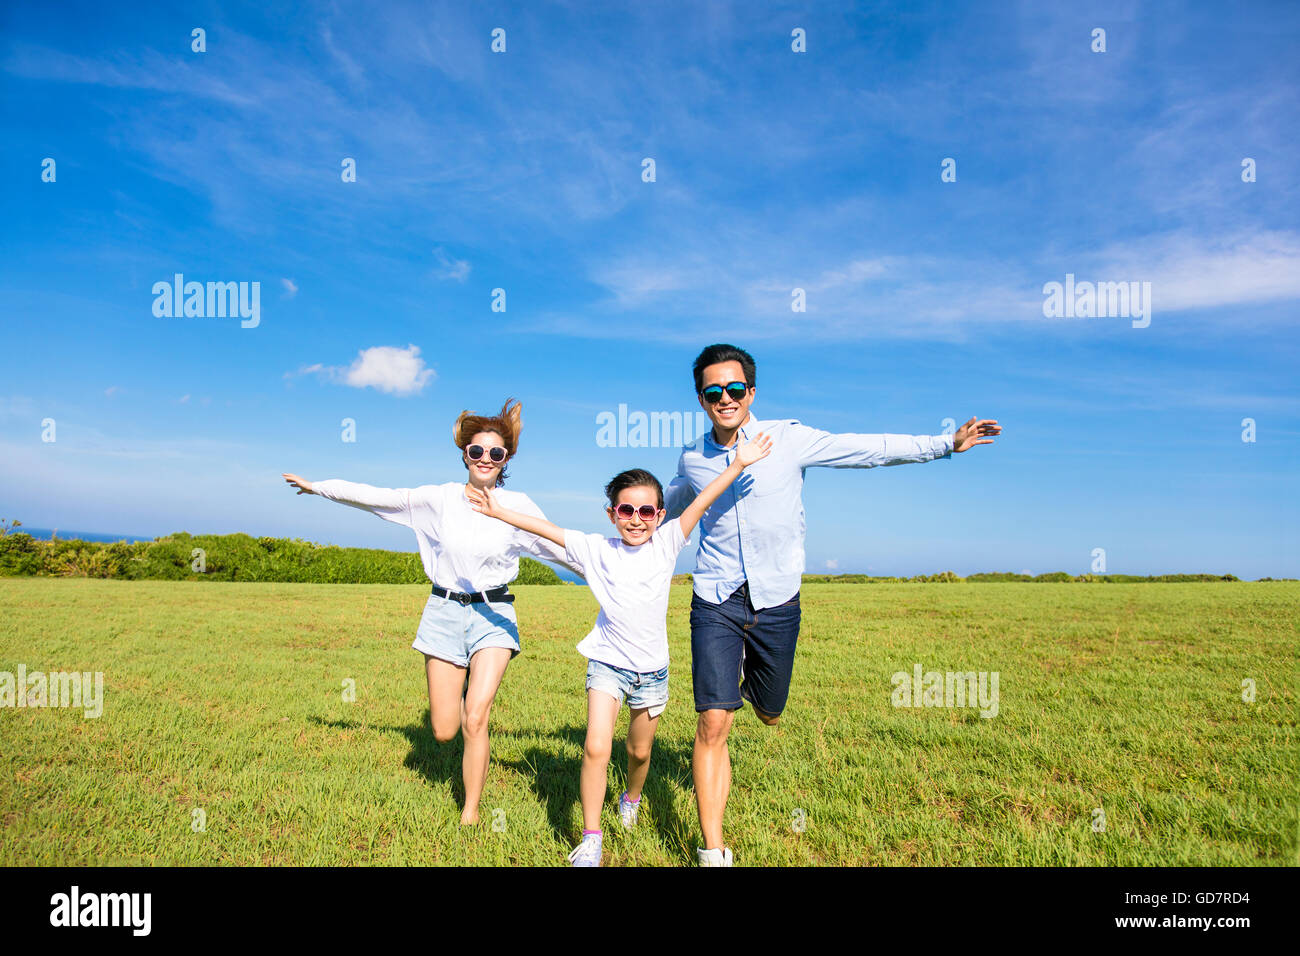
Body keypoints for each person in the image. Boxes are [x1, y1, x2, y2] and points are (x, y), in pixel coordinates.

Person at [664, 344, 1002, 866]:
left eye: (735, 389)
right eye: (714, 391)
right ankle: (714, 851)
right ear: (701, 399)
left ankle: (755, 691)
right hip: (716, 597)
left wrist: (944, 444)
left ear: (751, 392)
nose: (725, 398)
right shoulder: (691, 456)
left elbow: (866, 449)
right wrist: (628, 528)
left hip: (777, 600)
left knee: (771, 713)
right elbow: (674, 504)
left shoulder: (790, 439)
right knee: (712, 722)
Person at [466, 433, 773, 866]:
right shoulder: (596, 549)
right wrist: (499, 510)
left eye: (646, 510)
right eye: (626, 510)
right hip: (607, 664)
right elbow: (546, 529)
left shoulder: (667, 542)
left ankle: (631, 797)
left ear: (660, 514)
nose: (636, 519)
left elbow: (702, 501)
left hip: (652, 672)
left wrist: (739, 463)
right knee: (595, 747)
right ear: (612, 514)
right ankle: (592, 837)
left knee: (639, 752)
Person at [281, 399, 571, 826]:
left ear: (506, 459)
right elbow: (377, 497)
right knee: (443, 729)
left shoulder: (519, 506)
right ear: (464, 455)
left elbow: (559, 547)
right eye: (477, 451)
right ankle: (463, 693)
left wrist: (616, 564)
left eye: (496, 453)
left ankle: (470, 813)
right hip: (444, 613)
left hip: (495, 614)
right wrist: (318, 486)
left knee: (476, 716)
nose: (485, 459)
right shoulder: (437, 500)